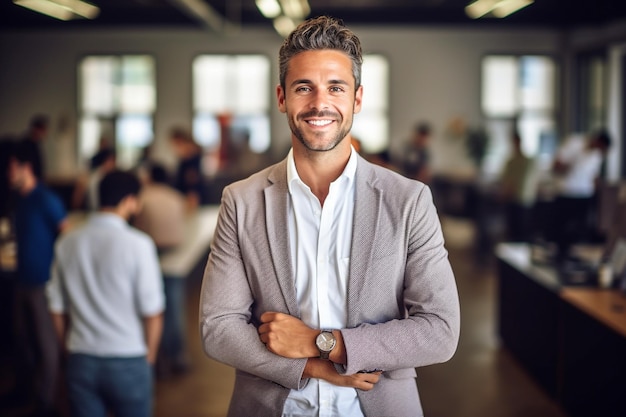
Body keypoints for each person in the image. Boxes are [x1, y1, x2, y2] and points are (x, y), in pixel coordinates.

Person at [199, 16, 460, 417]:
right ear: (282, 97)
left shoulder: (408, 200)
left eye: (335, 87)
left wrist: (324, 343)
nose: (320, 103)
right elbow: (218, 328)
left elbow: (440, 331)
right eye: (304, 88)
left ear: (356, 99)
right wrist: (314, 367)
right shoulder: (242, 200)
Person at [47, 170, 165, 417]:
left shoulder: (67, 241)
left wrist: (68, 350)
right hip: (128, 358)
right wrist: (149, 360)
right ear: (129, 201)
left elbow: (56, 307)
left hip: (81, 358)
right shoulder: (139, 244)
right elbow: (152, 312)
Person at [8, 140, 67, 417]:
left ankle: (46, 403)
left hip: (44, 284)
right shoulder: (20, 200)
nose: (7, 173)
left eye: (11, 167)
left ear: (24, 167)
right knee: (22, 341)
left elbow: (65, 234)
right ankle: (25, 391)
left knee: (46, 346)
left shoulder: (46, 199)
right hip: (22, 281)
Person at [132, 163, 189, 377]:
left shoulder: (143, 196)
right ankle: (178, 356)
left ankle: (156, 359)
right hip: (176, 257)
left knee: (151, 309)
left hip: (151, 257)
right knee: (175, 309)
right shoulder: (176, 197)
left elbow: (137, 227)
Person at [551, 129, 612, 260]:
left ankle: (574, 260)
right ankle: (560, 258)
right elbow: (556, 166)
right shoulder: (574, 142)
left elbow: (593, 175)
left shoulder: (597, 155)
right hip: (566, 193)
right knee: (561, 230)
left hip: (585, 195)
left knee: (579, 231)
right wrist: (572, 163)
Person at [497, 129, 539, 242]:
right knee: (513, 233)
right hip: (513, 200)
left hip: (525, 200)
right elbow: (506, 181)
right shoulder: (511, 161)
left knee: (523, 232)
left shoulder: (528, 161)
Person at [169, 126, 206, 211]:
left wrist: (192, 198)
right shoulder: (186, 159)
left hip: (190, 197)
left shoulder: (190, 159)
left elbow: (192, 180)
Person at [21, 114, 50, 180]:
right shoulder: (26, 145)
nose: (45, 133)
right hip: (29, 183)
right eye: (43, 130)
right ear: (36, 129)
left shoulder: (36, 144)